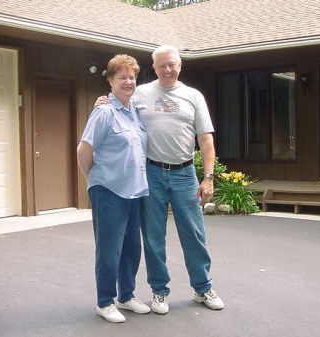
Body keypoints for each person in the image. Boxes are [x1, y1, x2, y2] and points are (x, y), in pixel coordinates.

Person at [95, 45, 224, 314]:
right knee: (153, 237)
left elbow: (206, 139)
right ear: (154, 68)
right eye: (162, 65)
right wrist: (103, 101)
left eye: (172, 64)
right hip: (151, 173)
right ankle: (159, 292)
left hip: (185, 174)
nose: (168, 70)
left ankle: (203, 287)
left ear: (180, 65)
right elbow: (120, 103)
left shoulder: (193, 96)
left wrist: (208, 177)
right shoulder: (141, 93)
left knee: (194, 234)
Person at [77, 54, 150, 323]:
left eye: (132, 77)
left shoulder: (134, 112)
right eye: (122, 77)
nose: (128, 81)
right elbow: (84, 150)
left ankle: (127, 296)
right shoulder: (104, 112)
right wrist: (93, 179)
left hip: (134, 191)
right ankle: (104, 301)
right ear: (110, 81)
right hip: (108, 190)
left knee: (131, 247)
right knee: (109, 249)